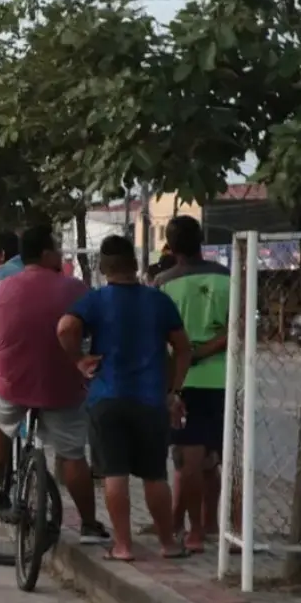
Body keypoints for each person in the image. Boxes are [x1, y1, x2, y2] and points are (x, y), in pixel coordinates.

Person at [58, 234, 193, 561]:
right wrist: (173, 390)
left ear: (104, 268)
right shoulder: (158, 300)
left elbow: (65, 328)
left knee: (114, 473)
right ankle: (168, 543)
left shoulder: (96, 300)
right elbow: (184, 348)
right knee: (154, 475)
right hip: (150, 399)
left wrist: (78, 359)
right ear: (134, 265)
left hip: (107, 396)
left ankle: (123, 546)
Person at [0, 226, 111, 544]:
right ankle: (89, 524)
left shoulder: (0, 288)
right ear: (45, 253)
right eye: (57, 249)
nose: (62, 254)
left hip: (13, 382)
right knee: (72, 455)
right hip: (63, 385)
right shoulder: (76, 289)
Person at [153, 215, 232, 552]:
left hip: (181, 379)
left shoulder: (162, 283)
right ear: (202, 241)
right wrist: (207, 350)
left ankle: (194, 530)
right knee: (213, 458)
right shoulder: (227, 278)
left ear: (171, 247)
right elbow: (238, 327)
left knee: (188, 459)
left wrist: (189, 355)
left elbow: (160, 338)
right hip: (224, 378)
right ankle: (210, 522)